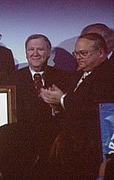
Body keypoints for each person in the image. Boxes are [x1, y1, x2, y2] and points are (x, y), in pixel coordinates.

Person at [40, 33, 114, 175]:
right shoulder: (78, 74)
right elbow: (72, 104)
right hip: (70, 150)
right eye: (76, 53)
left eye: (84, 53)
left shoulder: (108, 75)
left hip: (91, 151)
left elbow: (94, 109)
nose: (78, 57)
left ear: (100, 53)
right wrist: (56, 104)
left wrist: (62, 99)